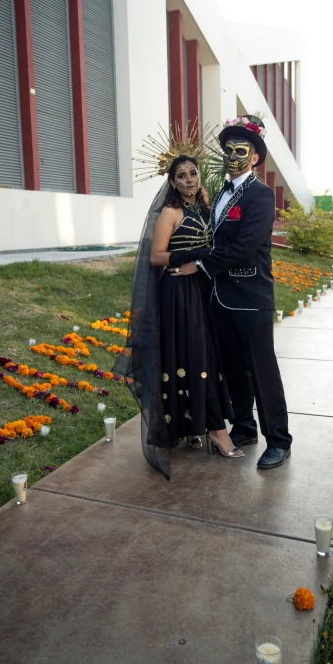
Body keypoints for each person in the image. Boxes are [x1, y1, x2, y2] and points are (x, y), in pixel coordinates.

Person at [114, 126, 243, 479]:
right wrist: (193, 254)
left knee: (202, 356)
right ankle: (217, 432)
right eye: (181, 175)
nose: (188, 179)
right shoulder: (171, 212)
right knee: (195, 355)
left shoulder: (203, 207)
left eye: (192, 173)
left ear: (199, 175)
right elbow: (155, 256)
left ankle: (194, 428)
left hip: (201, 291)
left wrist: (203, 260)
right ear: (171, 182)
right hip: (178, 295)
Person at [169, 115, 293, 470]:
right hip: (220, 298)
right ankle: (244, 427)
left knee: (262, 370)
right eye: (228, 150)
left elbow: (245, 245)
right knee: (234, 369)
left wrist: (200, 265)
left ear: (255, 157)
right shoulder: (221, 193)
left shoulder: (261, 195)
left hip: (252, 297)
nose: (233, 156)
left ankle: (280, 440)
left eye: (241, 150)